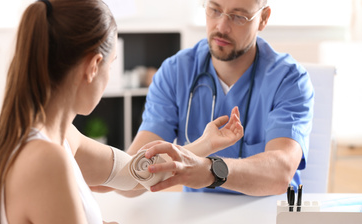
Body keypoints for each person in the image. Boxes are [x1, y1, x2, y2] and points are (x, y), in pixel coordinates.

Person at [0, 0, 244, 224]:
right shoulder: (47, 161)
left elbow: (135, 173)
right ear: (93, 67)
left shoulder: (57, 136)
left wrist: (204, 144)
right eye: (111, 64)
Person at [126, 0, 314, 196]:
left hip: (270, 213)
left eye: (239, 16)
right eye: (214, 10)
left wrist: (211, 171)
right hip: (199, 213)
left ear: (263, 18)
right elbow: (131, 179)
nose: (222, 27)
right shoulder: (175, 73)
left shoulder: (289, 79)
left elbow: (280, 173)